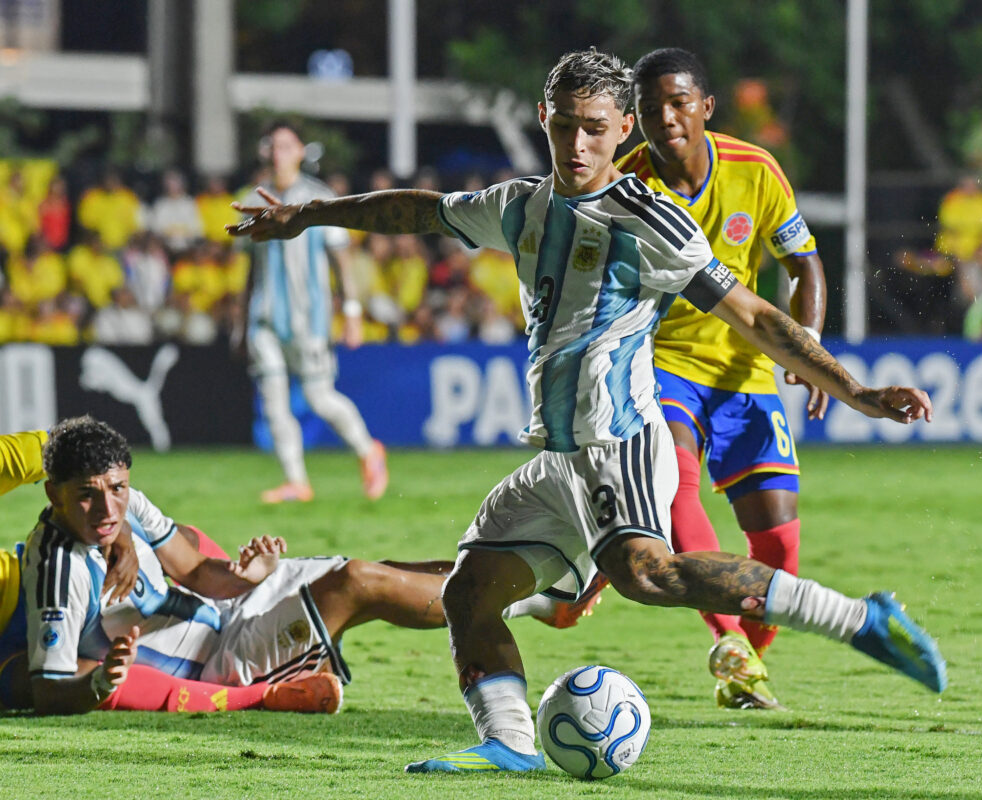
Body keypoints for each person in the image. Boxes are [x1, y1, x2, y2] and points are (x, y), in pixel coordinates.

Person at [228, 48, 945, 774]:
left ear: (621, 127)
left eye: (596, 129)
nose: (578, 145)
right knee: (469, 591)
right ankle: (509, 743)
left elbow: (754, 315)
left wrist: (858, 391)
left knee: (648, 573)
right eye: (565, 125)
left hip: (621, 441)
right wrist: (309, 216)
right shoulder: (519, 206)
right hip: (559, 457)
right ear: (544, 119)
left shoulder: (648, 220)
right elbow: (420, 211)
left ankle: (859, 619)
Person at [598, 47, 829, 709]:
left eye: (677, 102)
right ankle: (727, 641)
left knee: (779, 545)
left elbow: (804, 266)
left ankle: (746, 665)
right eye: (649, 109)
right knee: (675, 492)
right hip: (661, 364)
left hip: (745, 370)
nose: (664, 118)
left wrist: (805, 348)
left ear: (706, 106)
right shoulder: (626, 185)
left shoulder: (755, 171)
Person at [18, 416, 455, 715]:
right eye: (86, 495)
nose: (107, 508)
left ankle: (505, 572)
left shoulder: (125, 503)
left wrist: (247, 576)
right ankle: (496, 595)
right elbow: (47, 688)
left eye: (117, 488)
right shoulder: (59, 571)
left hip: (231, 613)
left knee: (379, 569)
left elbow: (196, 572)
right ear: (53, 494)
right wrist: (99, 682)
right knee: (359, 584)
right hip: (220, 661)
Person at [236, 119, 388, 504]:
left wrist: (352, 312)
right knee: (273, 401)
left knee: (320, 397)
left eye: (286, 146)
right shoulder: (252, 200)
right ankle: (296, 481)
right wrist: (240, 322)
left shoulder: (317, 199)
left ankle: (368, 449)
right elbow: (251, 269)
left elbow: (342, 259)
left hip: (310, 319)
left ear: (301, 151)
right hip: (264, 317)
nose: (278, 153)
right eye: (272, 146)